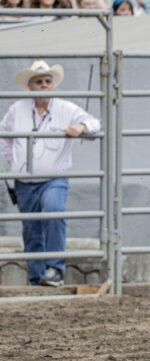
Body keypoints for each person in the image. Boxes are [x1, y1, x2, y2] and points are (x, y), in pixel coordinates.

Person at [0, 61, 101, 286]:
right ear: (30, 86)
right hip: (24, 181)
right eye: (39, 82)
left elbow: (95, 124)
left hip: (54, 178)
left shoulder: (66, 108)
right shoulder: (17, 109)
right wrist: (15, 160)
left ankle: (55, 268)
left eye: (47, 81)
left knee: (54, 211)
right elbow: (4, 136)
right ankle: (36, 277)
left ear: (52, 84)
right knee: (31, 227)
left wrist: (81, 127)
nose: (44, 85)